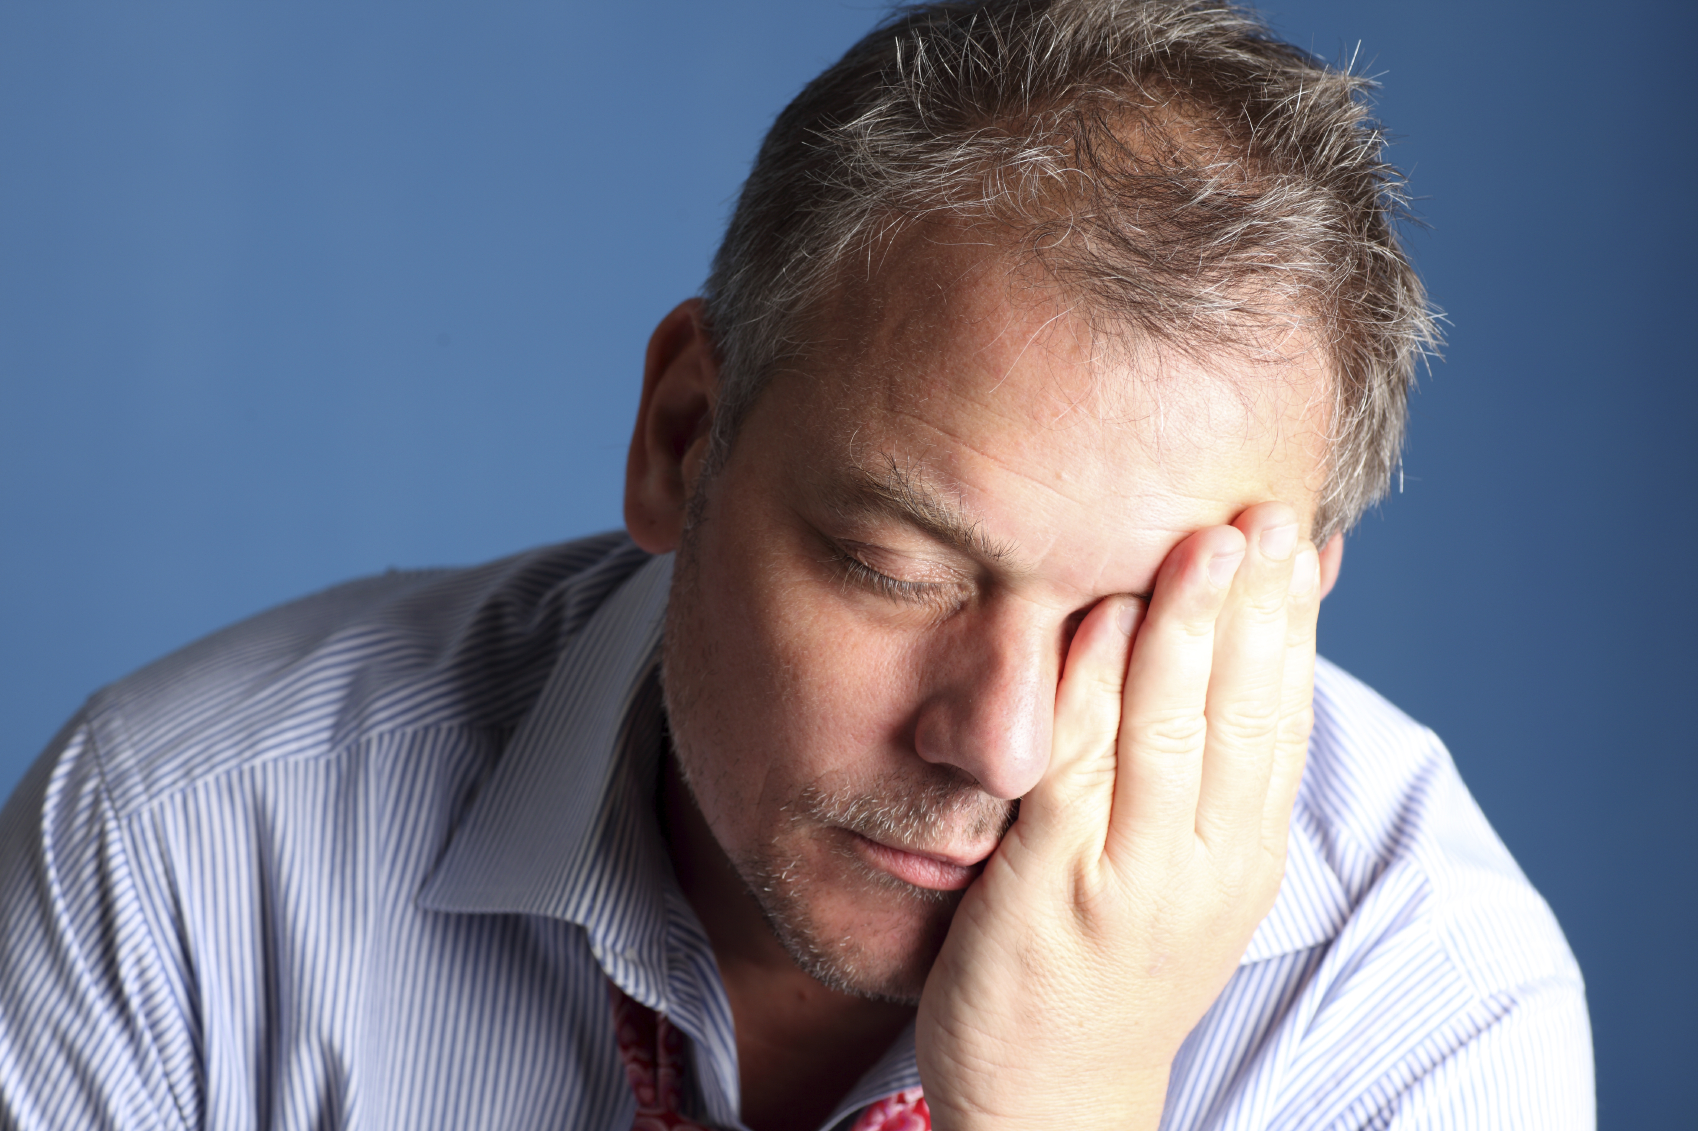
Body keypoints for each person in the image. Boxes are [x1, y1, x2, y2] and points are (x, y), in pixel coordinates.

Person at [0, 1, 1593, 1128]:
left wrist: (1064, 1103)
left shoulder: (1421, 1005)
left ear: (1284, 616)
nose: (997, 743)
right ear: (682, 438)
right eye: (894, 566)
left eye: (1129, 626)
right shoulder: (181, 852)